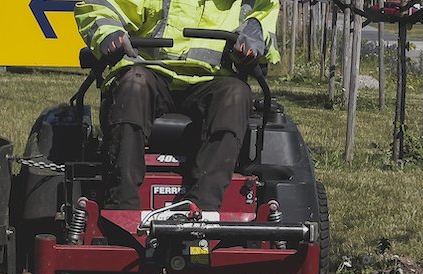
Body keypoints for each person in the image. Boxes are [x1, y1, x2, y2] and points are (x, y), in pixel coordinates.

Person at [74, 0, 280, 210]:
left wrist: (255, 34)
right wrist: (108, 33)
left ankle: (202, 207)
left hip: (214, 78)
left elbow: (264, 16)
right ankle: (121, 205)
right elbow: (101, 7)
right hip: (150, 71)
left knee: (236, 93)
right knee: (132, 85)